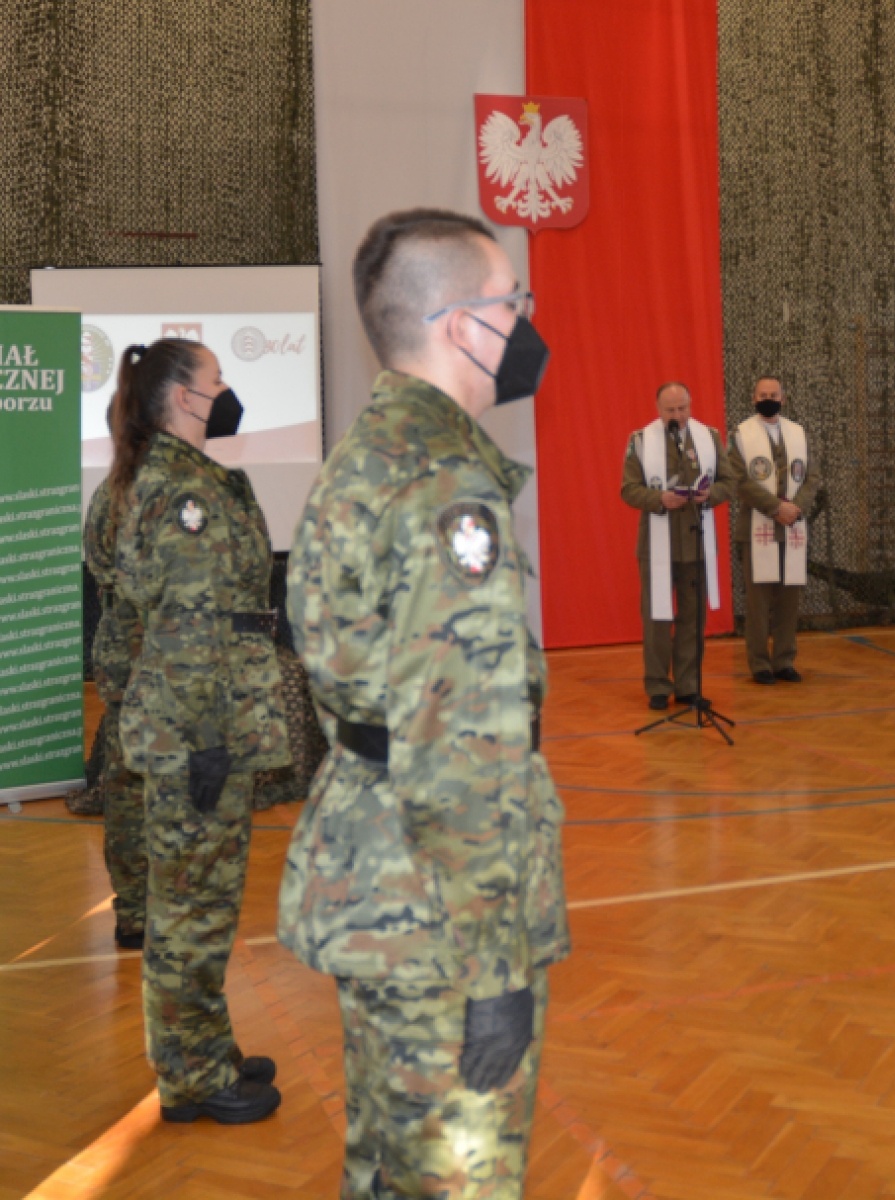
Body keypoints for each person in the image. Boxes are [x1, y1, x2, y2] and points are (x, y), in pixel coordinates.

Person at [280, 208, 569, 1199]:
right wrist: (495, 969)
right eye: (515, 303)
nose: (527, 324)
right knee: (456, 1176)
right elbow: (464, 751)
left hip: (377, 874)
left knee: (387, 1162)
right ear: (461, 324)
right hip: (439, 911)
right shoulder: (450, 488)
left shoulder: (369, 453)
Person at [110, 338, 287, 1123]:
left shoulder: (189, 480)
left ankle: (206, 1044)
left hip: (205, 725)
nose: (227, 393)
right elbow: (190, 631)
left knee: (207, 904)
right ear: (184, 396)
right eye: (218, 380)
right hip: (198, 731)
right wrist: (212, 736)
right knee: (190, 909)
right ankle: (188, 1077)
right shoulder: (183, 496)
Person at [620, 382, 735, 709]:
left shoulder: (709, 438)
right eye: (670, 410)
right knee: (657, 616)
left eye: (682, 408)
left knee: (692, 617)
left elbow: (728, 482)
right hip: (657, 543)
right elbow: (628, 490)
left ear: (690, 405)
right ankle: (658, 685)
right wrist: (659, 498)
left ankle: (688, 685)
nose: (678, 415)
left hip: (695, 541)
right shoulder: (640, 441)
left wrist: (709, 495)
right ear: (658, 410)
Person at [83, 475, 146, 948]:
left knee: (128, 785)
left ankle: (135, 911)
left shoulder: (111, 488)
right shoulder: (136, 489)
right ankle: (142, 909)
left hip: (126, 653)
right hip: (145, 656)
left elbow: (103, 568)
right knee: (131, 787)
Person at [727, 376, 824, 685]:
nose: (768, 398)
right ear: (754, 399)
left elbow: (813, 475)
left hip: (792, 528)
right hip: (757, 527)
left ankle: (784, 659)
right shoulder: (741, 434)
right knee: (758, 602)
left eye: (774, 394)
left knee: (789, 599)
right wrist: (775, 507)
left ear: (783, 398)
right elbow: (739, 480)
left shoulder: (798, 433)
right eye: (762, 394)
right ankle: (759, 663)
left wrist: (796, 507)